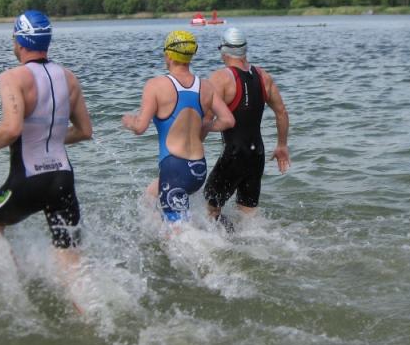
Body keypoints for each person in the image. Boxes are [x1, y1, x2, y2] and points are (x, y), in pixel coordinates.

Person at [0, 10, 93, 289]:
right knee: (70, 260)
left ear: (20, 41)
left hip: (28, 179)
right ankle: (92, 309)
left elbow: (11, 129)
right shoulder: (69, 78)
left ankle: (17, 294)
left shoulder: (12, 77)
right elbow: (85, 131)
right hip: (62, 179)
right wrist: (50, 136)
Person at [121, 30, 234, 223]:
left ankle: (189, 239)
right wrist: (205, 126)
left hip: (175, 169)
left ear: (168, 55)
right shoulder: (206, 86)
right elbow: (228, 120)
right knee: (148, 198)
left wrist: (129, 122)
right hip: (198, 170)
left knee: (177, 233)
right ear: (191, 54)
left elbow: (140, 128)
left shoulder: (155, 85)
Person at [204, 27, 290, 225]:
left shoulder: (220, 78)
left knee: (210, 209)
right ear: (245, 50)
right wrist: (282, 145)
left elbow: (206, 119)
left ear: (224, 50)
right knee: (248, 216)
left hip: (233, 154)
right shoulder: (263, 76)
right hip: (256, 154)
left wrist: (192, 149)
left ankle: (224, 240)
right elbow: (282, 113)